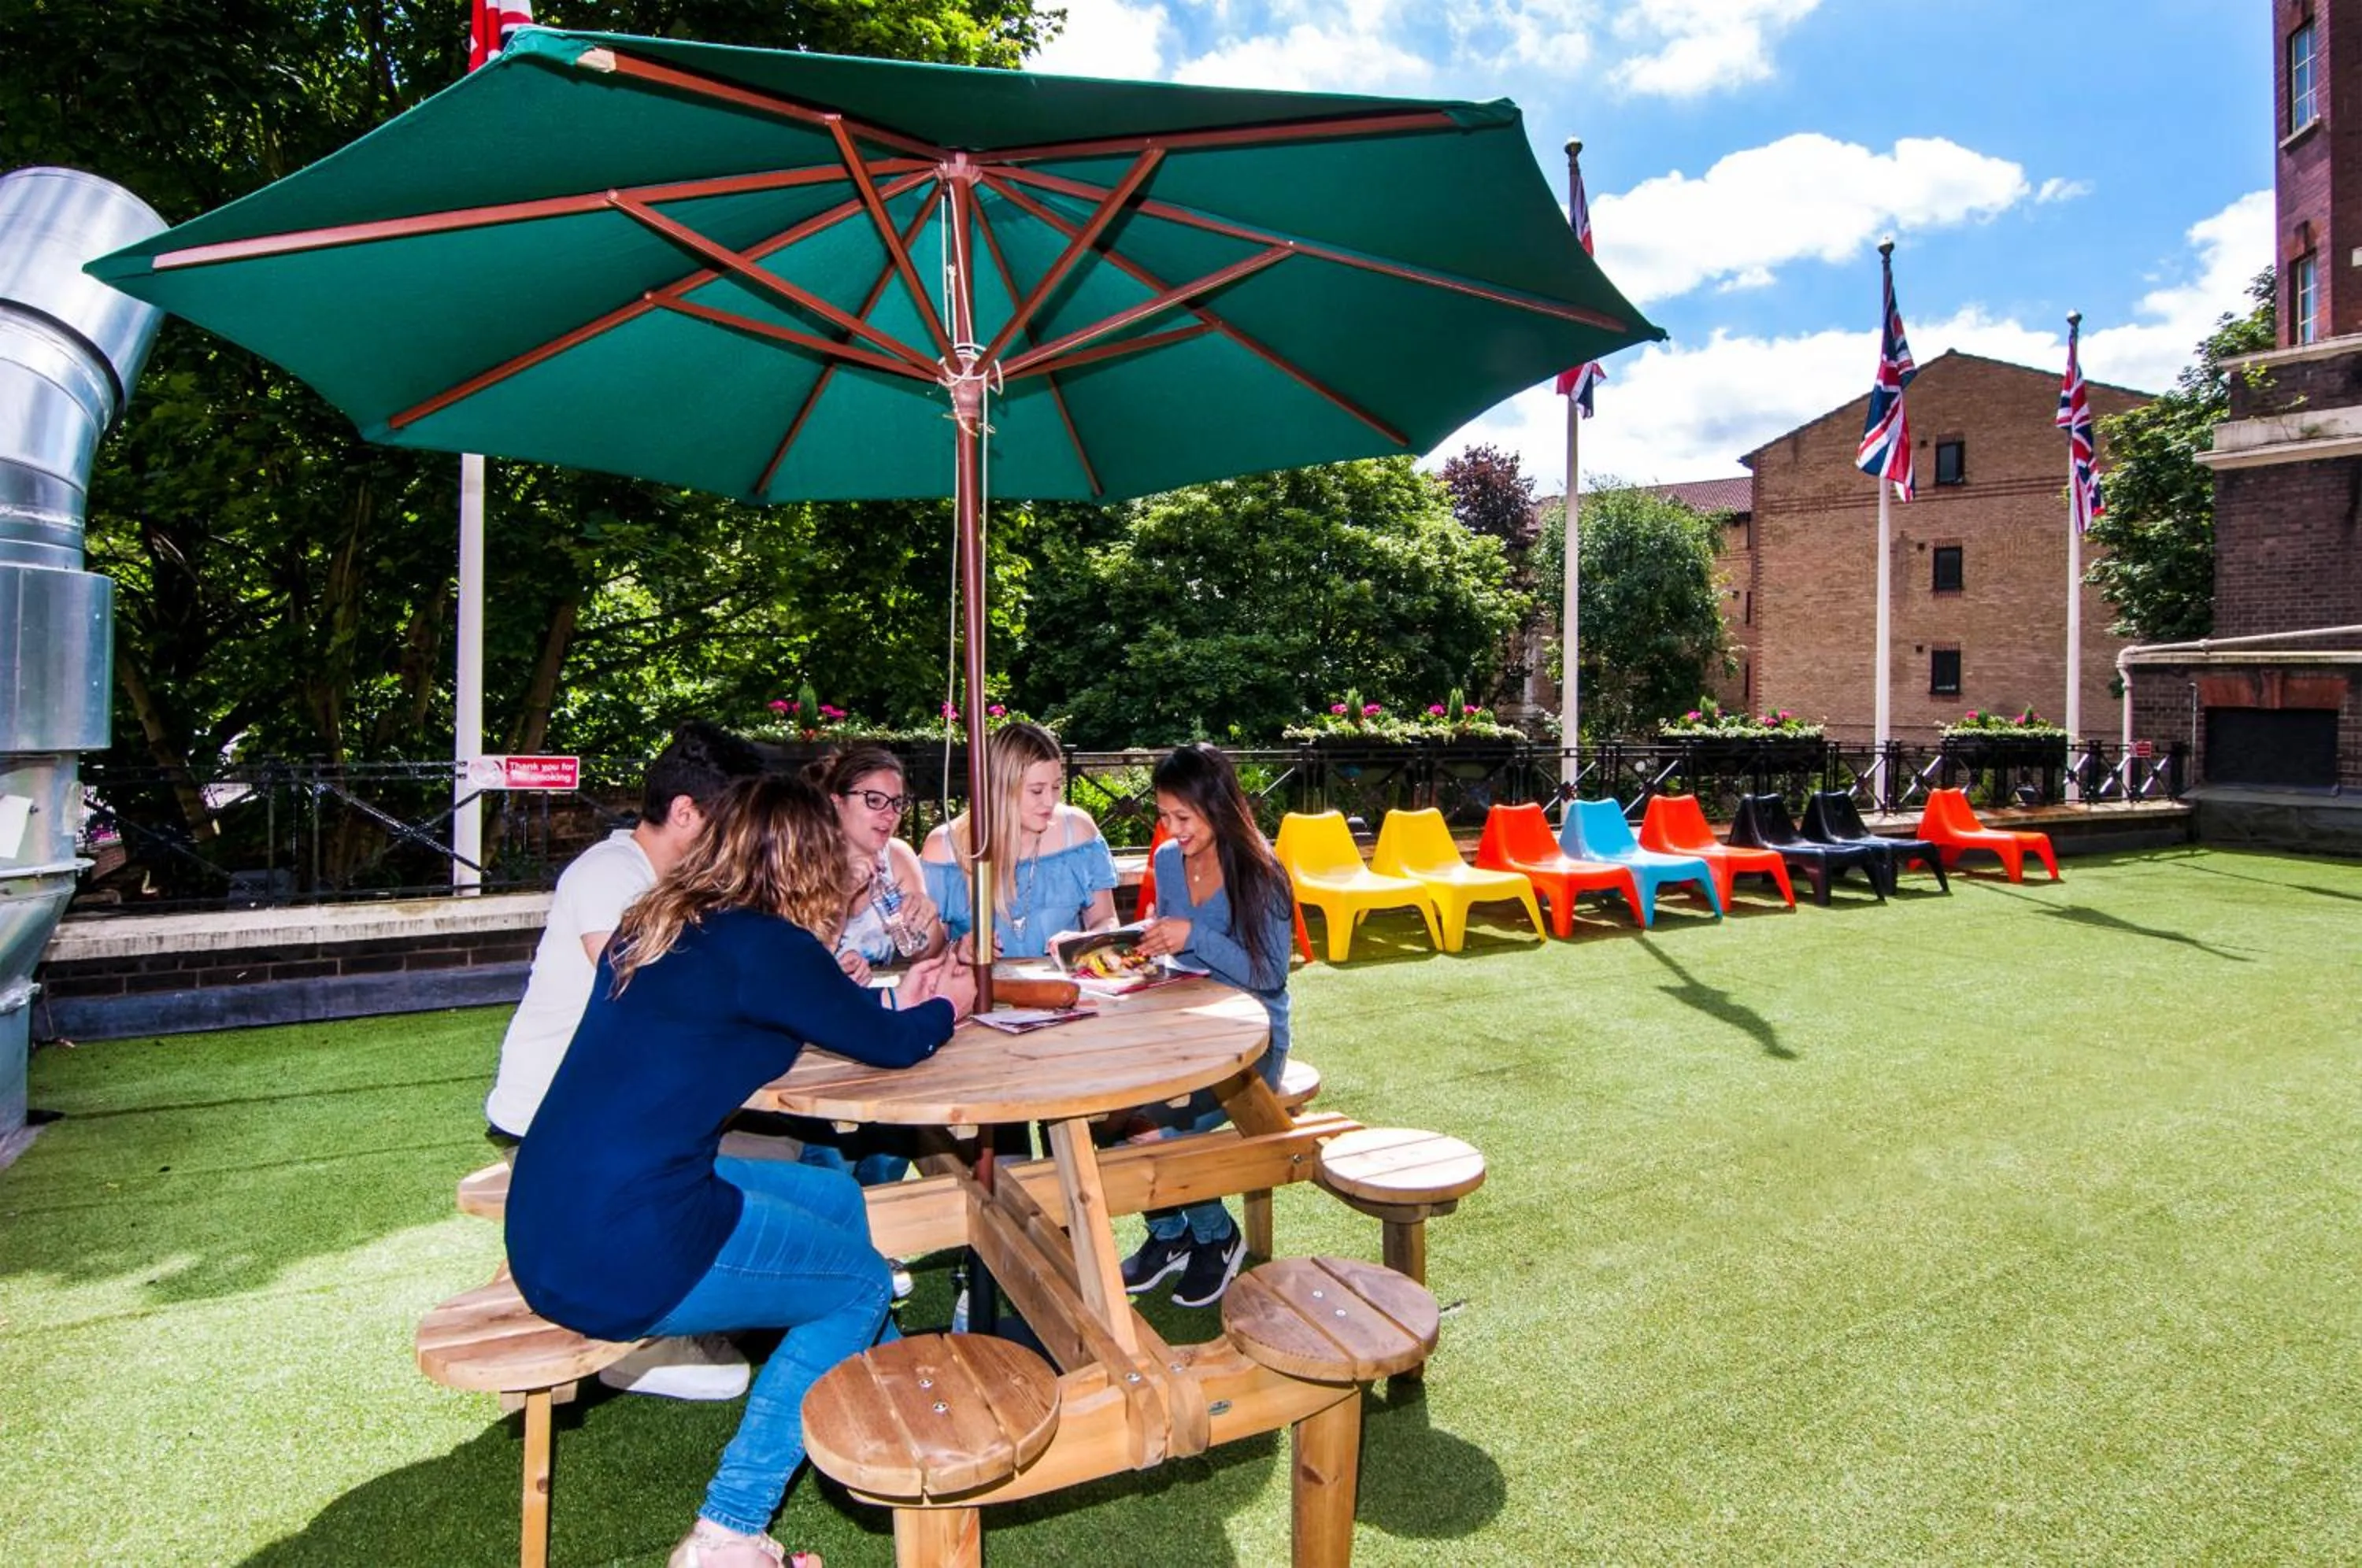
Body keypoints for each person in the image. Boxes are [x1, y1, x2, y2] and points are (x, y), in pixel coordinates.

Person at [506, 773, 976, 1568]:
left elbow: (821, 1020)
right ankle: (728, 1532)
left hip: (551, 1218)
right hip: (624, 1246)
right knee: (858, 1279)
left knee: (831, 1193)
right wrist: (949, 1008)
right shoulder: (766, 946)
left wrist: (904, 1006)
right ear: (805, 860)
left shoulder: (662, 922)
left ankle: (876, 1381)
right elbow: (892, 1046)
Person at [483, 719, 764, 1401]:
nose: (741, 844)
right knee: (757, 1160)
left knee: (781, 1152)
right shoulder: (609, 873)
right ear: (685, 813)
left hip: (613, 1110)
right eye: (730, 825)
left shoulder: (672, 883)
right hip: (555, 1122)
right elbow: (643, 990)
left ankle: (721, 1299)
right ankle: (645, 1336)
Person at [1118, 743, 1295, 1308]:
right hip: (1183, 1028)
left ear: (1217, 807)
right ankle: (1170, 1235)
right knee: (1112, 1117)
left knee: (1159, 1132)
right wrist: (1149, 944)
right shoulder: (1170, 859)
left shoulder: (1261, 870)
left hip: (1251, 1045)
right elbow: (1180, 955)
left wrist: (1191, 935)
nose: (1171, 829)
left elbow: (1268, 975)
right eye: (1165, 816)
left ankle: (1218, 1237)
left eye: (1183, 818)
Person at [796, 745, 942, 1196]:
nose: (889, 815)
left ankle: (878, 1232)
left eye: (896, 803)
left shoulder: (896, 858)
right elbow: (791, 961)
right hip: (813, 1041)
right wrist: (840, 899)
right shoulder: (804, 860)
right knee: (828, 1164)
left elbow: (924, 951)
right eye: (873, 800)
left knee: (894, 1138)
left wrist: (927, 919)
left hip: (882, 1020)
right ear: (837, 801)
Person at [921, 720, 1118, 958]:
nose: (1050, 801)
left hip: (1060, 990)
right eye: (1037, 790)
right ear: (1000, 789)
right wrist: (957, 949)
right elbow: (927, 953)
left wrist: (1086, 940)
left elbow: (1106, 920)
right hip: (975, 992)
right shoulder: (945, 848)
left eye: (1056, 787)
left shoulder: (1077, 833)